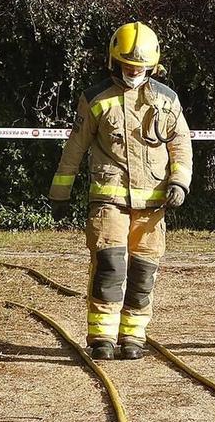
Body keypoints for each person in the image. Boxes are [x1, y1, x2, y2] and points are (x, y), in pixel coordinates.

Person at [49, 21, 192, 361]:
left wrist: (179, 182)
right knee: (110, 265)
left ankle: (133, 336)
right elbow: (75, 147)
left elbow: (181, 144)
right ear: (114, 62)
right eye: (127, 66)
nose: (133, 72)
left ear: (152, 67)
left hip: (152, 205)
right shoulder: (97, 99)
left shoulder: (167, 101)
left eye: (139, 68)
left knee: (143, 270)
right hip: (108, 201)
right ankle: (101, 337)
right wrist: (60, 192)